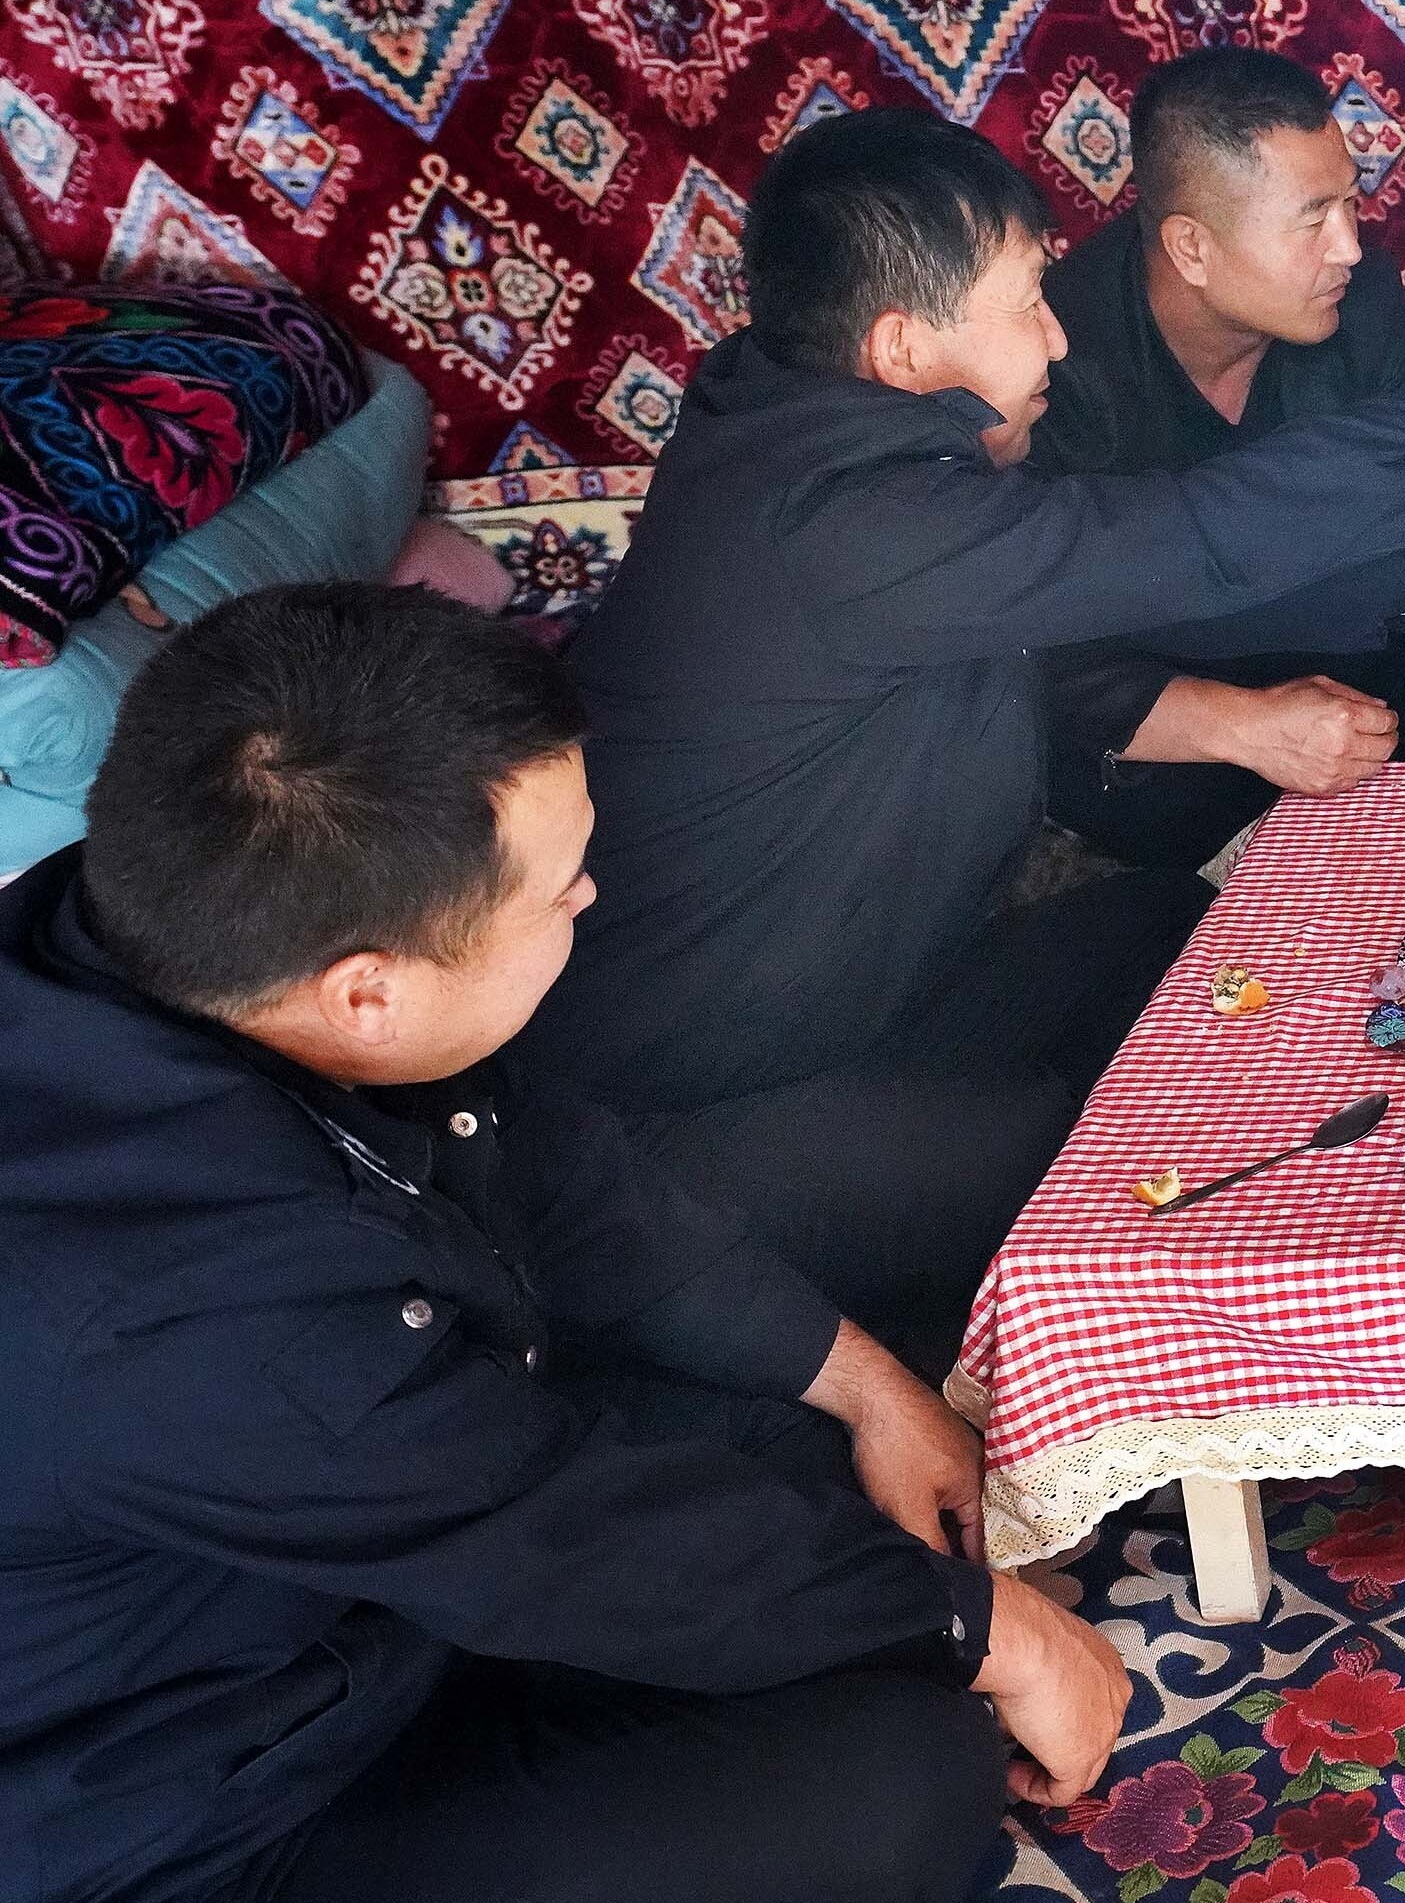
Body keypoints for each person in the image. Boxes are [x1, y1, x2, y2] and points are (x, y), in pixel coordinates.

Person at [0, 583, 1136, 1903]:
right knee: (902, 1779)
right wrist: (996, 1636)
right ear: (368, 993)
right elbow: (549, 1538)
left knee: (819, 1458)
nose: (591, 893)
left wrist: (867, 1388)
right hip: (211, 1801)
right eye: (559, 891)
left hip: (386, 1583)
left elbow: (564, 1174)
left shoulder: (159, 932)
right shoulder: (166, 1311)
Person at [528, 108, 1405, 1364]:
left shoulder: (818, 454)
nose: (1057, 335)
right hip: (682, 1113)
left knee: (1164, 926)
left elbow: (1138, 588)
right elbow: (1187, 537)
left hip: (866, 1000)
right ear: (903, 345)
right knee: (1127, 1158)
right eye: (1028, 303)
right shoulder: (832, 521)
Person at [1026, 46, 1405, 874]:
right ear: (1192, 247)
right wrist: (1246, 725)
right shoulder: (1059, 357)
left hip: (1361, 698)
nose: (1350, 247)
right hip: (1181, 742)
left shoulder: (1359, 303)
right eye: (1312, 218)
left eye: (1350, 203)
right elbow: (1029, 639)